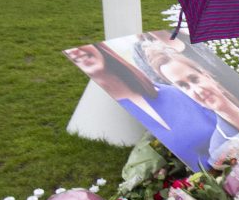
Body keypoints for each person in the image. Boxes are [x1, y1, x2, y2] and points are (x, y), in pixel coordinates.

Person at [64, 43, 216, 169]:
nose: (74, 50)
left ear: (100, 47)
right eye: (68, 50)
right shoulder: (112, 119)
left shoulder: (173, 93)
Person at [146, 49, 239, 165]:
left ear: (206, 75)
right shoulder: (219, 151)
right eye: (184, 86)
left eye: (194, 79)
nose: (197, 90)